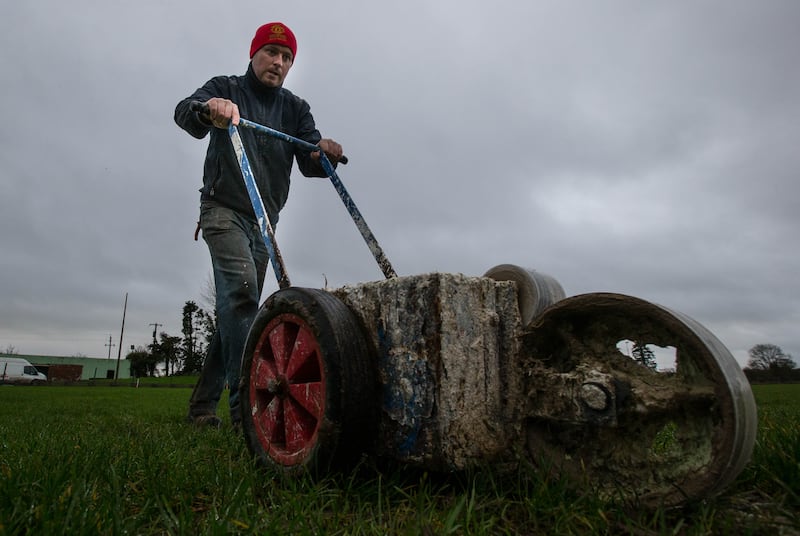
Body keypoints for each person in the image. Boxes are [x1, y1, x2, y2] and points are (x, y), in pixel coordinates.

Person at [174, 22, 344, 429]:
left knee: (237, 310)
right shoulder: (227, 88)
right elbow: (184, 112)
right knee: (243, 297)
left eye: (286, 58)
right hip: (222, 209)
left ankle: (200, 407)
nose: (279, 63)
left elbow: (309, 160)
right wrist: (210, 109)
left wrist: (324, 152)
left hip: (265, 223)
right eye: (271, 53)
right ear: (254, 54)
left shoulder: (295, 109)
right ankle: (245, 416)